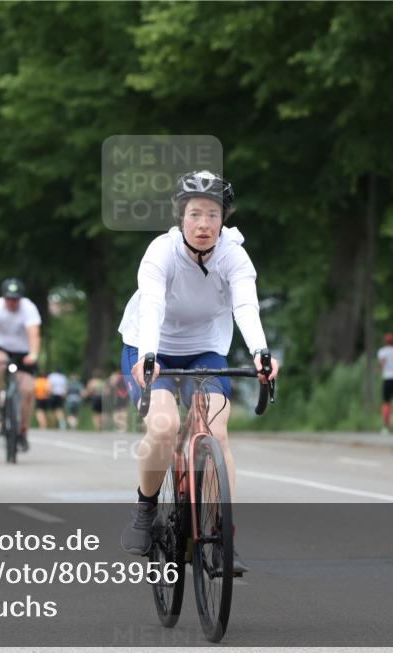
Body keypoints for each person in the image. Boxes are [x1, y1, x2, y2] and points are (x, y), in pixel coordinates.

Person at [117, 170, 279, 574]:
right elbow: (152, 305)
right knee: (164, 426)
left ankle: (223, 537)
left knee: (216, 432)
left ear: (223, 219)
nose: (204, 224)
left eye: (212, 214)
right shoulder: (161, 252)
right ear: (180, 217)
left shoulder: (233, 256)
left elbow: (245, 306)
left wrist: (260, 352)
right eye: (195, 214)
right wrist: (148, 354)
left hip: (206, 349)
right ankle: (145, 508)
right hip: (150, 346)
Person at [0, 278, 41, 452]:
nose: (12, 302)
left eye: (15, 299)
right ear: (3, 297)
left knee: (28, 390)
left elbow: (34, 334)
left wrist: (34, 354)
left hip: (23, 352)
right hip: (2, 349)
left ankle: (23, 430)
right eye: (9, 299)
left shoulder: (29, 308)